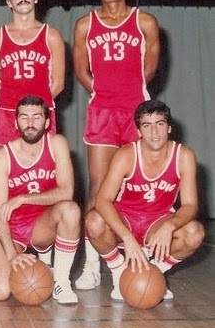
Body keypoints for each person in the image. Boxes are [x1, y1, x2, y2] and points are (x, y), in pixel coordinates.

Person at [73, 0, 160, 290]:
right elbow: (80, 69)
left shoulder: (145, 21)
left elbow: (150, 67)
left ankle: (145, 262)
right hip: (102, 112)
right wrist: (102, 92)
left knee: (138, 184)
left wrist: (130, 92)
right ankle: (92, 266)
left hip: (136, 109)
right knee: (98, 186)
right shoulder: (85, 24)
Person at [86, 100, 204, 302]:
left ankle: (155, 272)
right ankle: (119, 271)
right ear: (139, 130)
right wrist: (127, 237)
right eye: (147, 125)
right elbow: (103, 200)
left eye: (160, 124)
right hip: (125, 218)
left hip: (158, 220)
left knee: (194, 233)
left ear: (169, 128)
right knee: (93, 221)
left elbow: (190, 205)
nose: (154, 132)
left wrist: (169, 227)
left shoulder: (184, 156)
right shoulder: (126, 155)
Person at [0, 95, 80, 304]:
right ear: (15, 122)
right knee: (0, 291)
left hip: (43, 223)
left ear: (47, 122)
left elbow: (66, 192)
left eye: (36, 117)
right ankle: (39, 257)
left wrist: (23, 198)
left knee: (70, 210)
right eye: (24, 117)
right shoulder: (3, 156)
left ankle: (61, 281)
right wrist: (12, 255)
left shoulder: (56, 143)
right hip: (12, 225)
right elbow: (0, 213)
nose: (30, 123)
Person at [0, 0, 65, 150]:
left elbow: (58, 84)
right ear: (8, 2)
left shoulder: (51, 36)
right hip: (7, 114)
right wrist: (15, 111)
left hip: (40, 115)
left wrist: (35, 111)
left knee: (43, 165)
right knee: (5, 165)